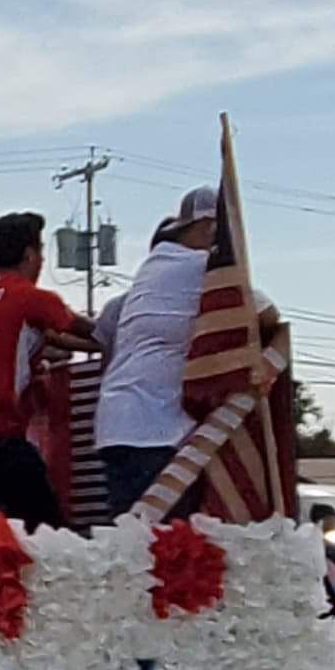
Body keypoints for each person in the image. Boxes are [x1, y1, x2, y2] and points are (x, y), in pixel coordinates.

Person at [0, 213, 101, 529]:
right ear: (30, 254)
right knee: (49, 537)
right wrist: (117, 337)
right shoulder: (30, 297)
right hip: (0, 434)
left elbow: (45, 338)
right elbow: (86, 331)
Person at [85, 189, 219, 525]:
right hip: (156, 427)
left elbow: (100, 345)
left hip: (117, 421)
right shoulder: (200, 268)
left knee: (134, 545)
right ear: (207, 226)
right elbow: (262, 312)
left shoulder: (140, 285)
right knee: (168, 548)